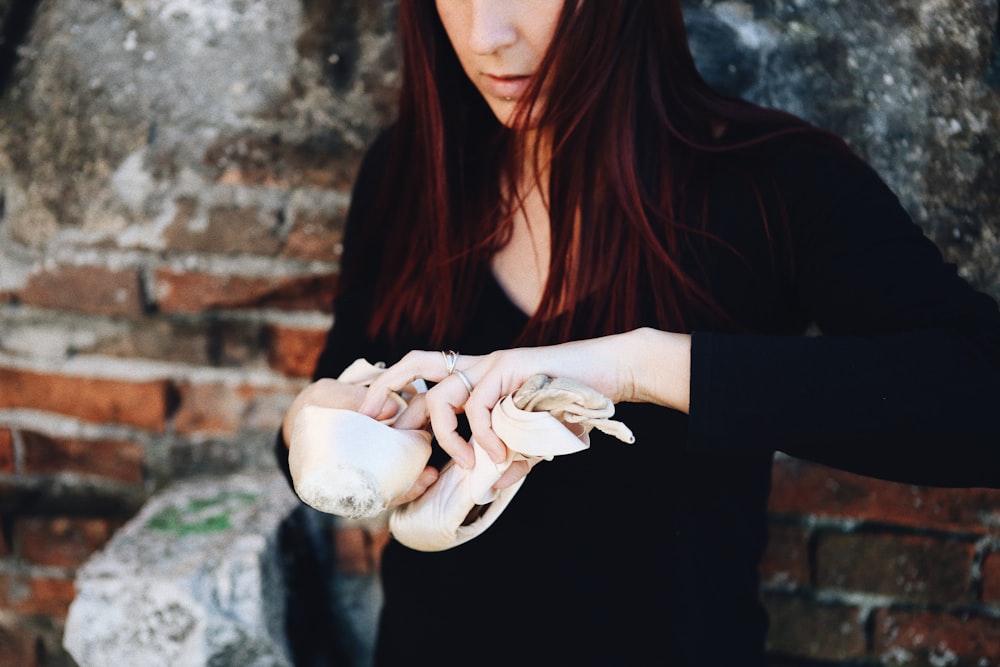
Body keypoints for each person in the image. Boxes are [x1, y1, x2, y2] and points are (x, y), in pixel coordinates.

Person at [277, 1, 1000, 664]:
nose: (484, 36)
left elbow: (981, 393)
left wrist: (643, 367)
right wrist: (311, 424)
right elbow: (346, 396)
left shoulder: (773, 185)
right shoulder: (407, 174)